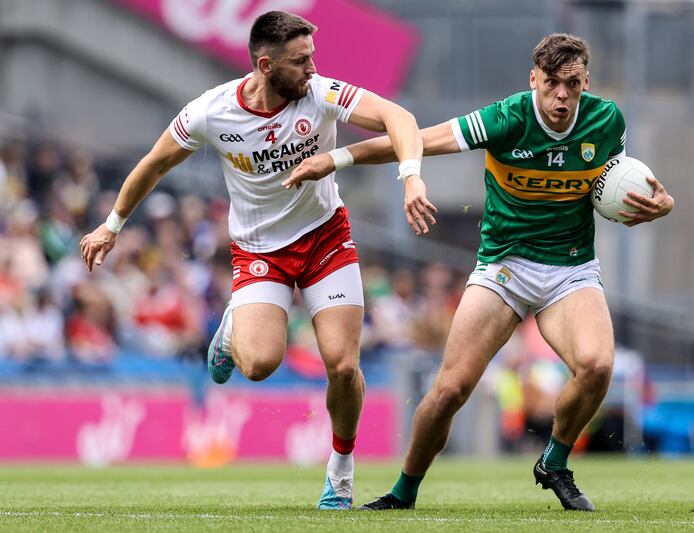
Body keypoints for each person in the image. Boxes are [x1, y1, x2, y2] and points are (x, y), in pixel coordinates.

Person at [283, 33, 674, 511]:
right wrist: (337, 158)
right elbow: (420, 140)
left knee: (597, 366)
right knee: (450, 388)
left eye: (572, 84)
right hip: (504, 268)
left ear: (586, 80)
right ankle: (403, 492)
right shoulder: (506, 118)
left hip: (570, 268)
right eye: (551, 83)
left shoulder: (606, 120)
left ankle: (554, 461)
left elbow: (621, 185)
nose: (561, 96)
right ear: (534, 79)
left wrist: (661, 203)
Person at [79, 10, 437, 510]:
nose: (313, 68)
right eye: (300, 60)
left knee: (342, 364)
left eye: (313, 56)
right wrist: (111, 225)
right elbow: (154, 163)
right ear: (266, 65)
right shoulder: (211, 111)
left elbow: (399, 118)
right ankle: (232, 330)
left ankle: (340, 471)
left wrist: (412, 176)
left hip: (325, 239)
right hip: (259, 250)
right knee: (261, 363)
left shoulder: (321, 92)